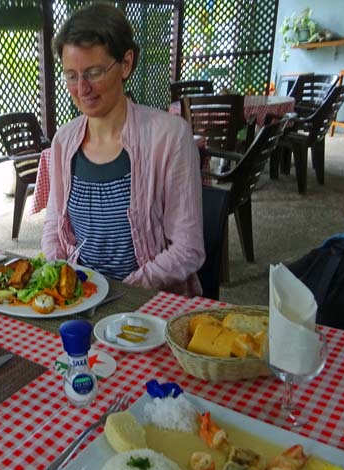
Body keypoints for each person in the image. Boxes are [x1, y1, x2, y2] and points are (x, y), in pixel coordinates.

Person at [42, 2, 205, 296]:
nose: (82, 88)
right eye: (71, 75)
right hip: (82, 298)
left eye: (93, 72)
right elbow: (54, 227)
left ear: (126, 63)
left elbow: (188, 248)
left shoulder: (169, 137)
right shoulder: (64, 142)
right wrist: (64, 282)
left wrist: (117, 293)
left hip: (149, 302)